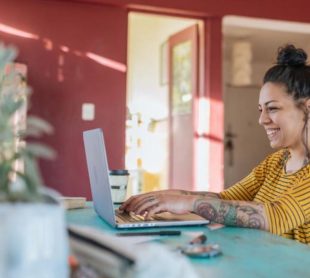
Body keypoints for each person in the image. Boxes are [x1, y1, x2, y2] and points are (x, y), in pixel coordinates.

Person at [120, 44, 310, 244]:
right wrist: (165, 197)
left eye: (272, 109)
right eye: (260, 110)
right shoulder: (276, 163)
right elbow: (224, 198)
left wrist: (188, 202)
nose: (261, 120)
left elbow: (276, 217)